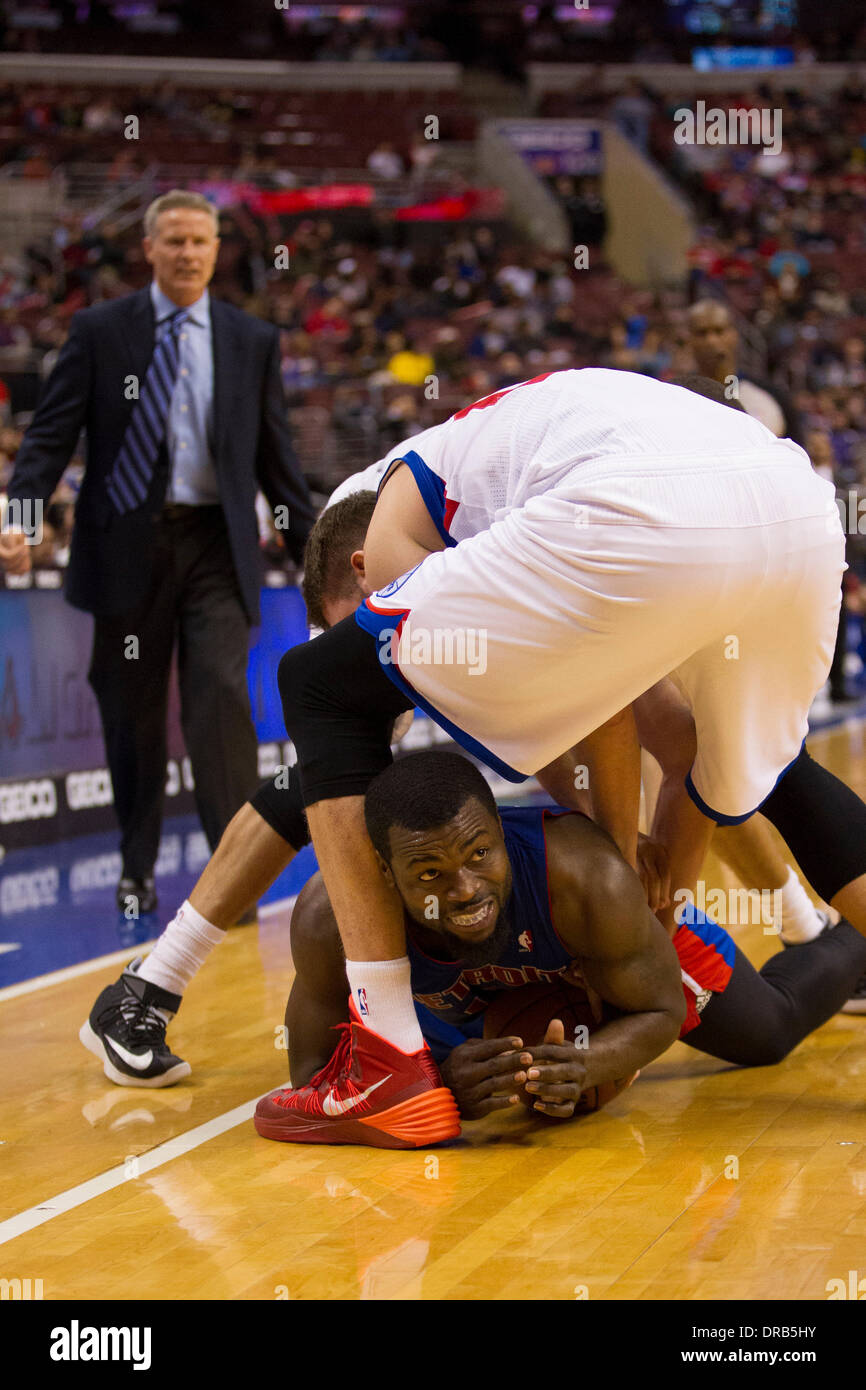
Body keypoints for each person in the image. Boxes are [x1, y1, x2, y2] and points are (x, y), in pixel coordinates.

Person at [272, 366, 866, 1147]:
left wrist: (617, 871)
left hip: (639, 509)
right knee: (749, 759)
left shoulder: (387, 536)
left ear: (358, 578)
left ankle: (386, 1060)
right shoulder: (499, 495)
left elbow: (591, 698)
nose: (397, 685)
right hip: (791, 513)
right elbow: (665, 738)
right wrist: (657, 901)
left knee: (317, 684)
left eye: (358, 624)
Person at [254, 752, 866, 1144]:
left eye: (479, 855)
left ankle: (854, 938)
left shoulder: (584, 879)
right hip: (475, 1015)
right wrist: (438, 1085)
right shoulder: (331, 921)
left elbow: (660, 1009)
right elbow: (310, 1078)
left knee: (768, 1032)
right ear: (384, 875)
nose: (466, 890)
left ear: (500, 829)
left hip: (604, 952)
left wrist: (593, 1062)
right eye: (430, 875)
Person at [0, 190, 315, 914]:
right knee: (132, 716)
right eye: (173, 241)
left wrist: (318, 561)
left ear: (217, 251)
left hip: (213, 546)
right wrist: (18, 518)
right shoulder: (99, 331)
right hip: (126, 553)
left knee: (222, 702)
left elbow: (279, 466)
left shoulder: (250, 340)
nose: (188, 254)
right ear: (148, 248)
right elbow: (48, 439)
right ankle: (135, 866)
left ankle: (231, 881)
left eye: (201, 242)